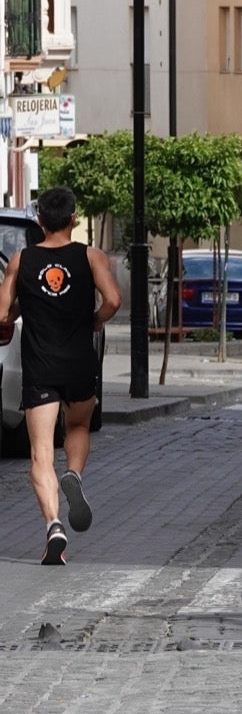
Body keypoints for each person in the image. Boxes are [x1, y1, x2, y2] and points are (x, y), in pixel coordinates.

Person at [0, 186, 122, 565]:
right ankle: (75, 474)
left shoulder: (21, 259)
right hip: (79, 361)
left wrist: (20, 312)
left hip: (39, 366)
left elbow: (2, 314)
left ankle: (53, 524)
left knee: (39, 452)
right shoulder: (91, 256)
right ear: (73, 218)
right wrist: (95, 322)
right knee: (79, 427)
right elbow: (114, 300)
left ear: (39, 221)